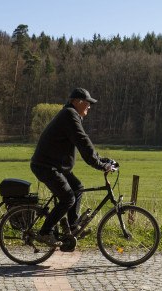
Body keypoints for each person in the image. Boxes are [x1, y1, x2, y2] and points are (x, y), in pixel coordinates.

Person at [30, 87, 116, 245]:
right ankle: (45, 232)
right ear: (77, 101)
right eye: (88, 103)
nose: (89, 106)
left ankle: (71, 228)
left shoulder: (70, 115)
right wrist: (100, 165)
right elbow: (83, 142)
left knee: (77, 187)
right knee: (68, 197)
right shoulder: (69, 115)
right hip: (46, 166)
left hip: (55, 166)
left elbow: (85, 145)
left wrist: (104, 160)